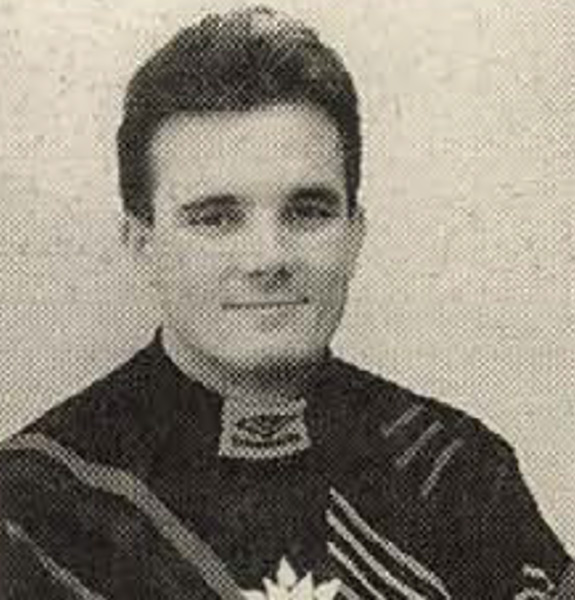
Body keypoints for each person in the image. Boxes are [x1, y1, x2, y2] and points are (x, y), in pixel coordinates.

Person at [0, 6, 573, 599]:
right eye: (216, 218)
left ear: (354, 233)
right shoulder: (33, 510)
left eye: (308, 212)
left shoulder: (459, 476)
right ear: (142, 244)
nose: (268, 258)